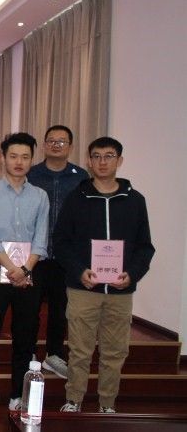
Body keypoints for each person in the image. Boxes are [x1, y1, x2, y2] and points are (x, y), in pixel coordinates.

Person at [55, 137, 154, 414]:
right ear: (89, 161)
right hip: (83, 289)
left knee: (115, 351)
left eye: (109, 156)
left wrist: (132, 274)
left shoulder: (135, 200)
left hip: (120, 292)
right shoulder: (76, 198)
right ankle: (74, 400)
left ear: (119, 161)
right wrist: (79, 271)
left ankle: (107, 404)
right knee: (79, 350)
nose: (102, 162)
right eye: (97, 156)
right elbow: (61, 242)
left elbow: (145, 246)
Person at [0, 133, 49, 426]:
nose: (19, 162)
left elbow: (41, 239)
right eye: (13, 156)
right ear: (2, 158)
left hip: (30, 273)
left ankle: (19, 396)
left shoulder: (40, 196)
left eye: (25, 157)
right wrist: (12, 268)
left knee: (25, 338)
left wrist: (25, 269)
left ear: (32, 159)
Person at [26, 125, 89, 379]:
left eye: (62, 142)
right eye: (51, 140)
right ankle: (29, 352)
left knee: (60, 308)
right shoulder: (31, 174)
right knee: (30, 307)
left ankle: (54, 355)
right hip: (35, 254)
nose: (56, 145)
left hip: (66, 254)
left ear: (71, 147)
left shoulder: (80, 177)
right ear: (44, 145)